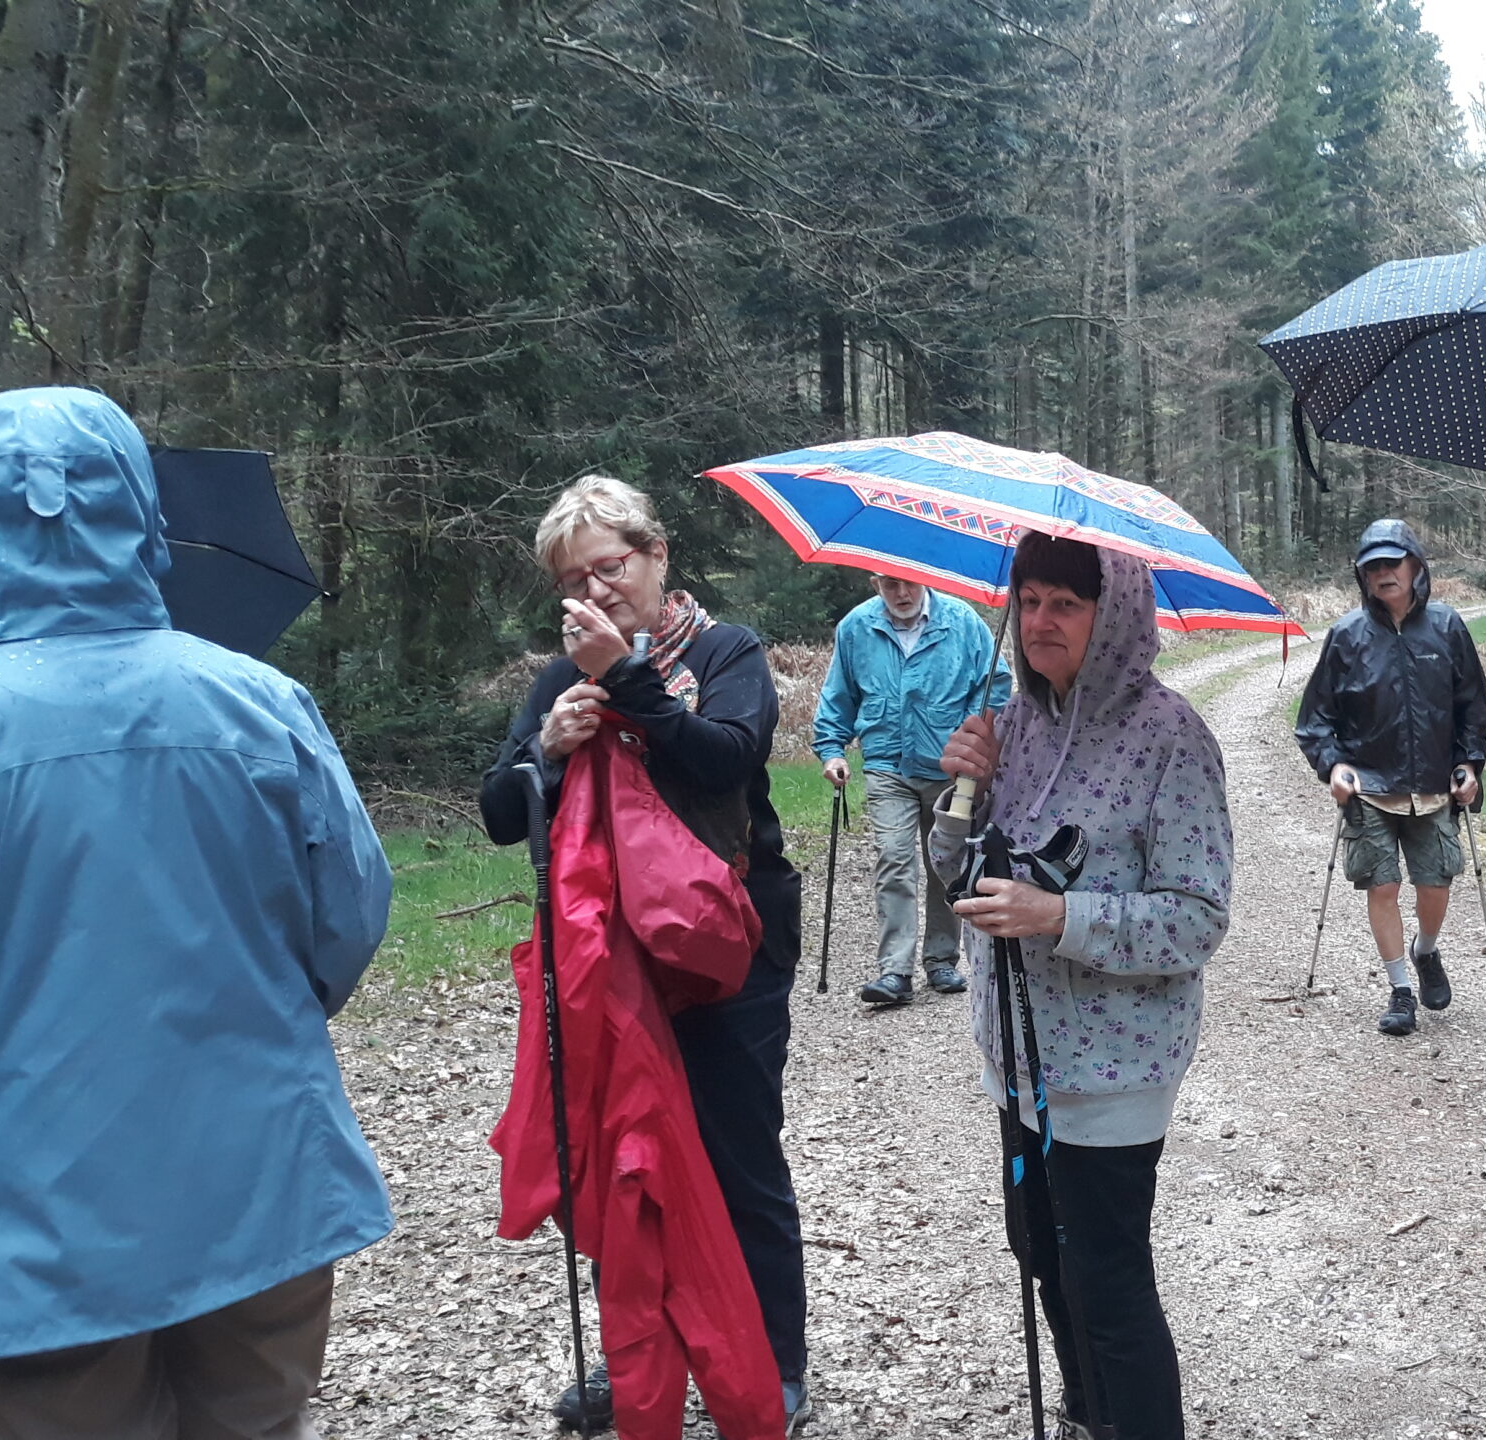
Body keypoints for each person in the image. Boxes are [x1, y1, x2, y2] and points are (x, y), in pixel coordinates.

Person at [0, 386, 395, 1437]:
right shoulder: (257, 703)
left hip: (33, 1229)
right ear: (143, 508)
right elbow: (350, 919)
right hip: (261, 1184)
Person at [479, 475, 811, 1432]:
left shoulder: (724, 650)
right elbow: (499, 814)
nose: (594, 590)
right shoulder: (559, 680)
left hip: (730, 947)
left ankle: (772, 1360)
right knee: (622, 1159)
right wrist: (543, 750)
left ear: (657, 556)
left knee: (737, 1153)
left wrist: (626, 678)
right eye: (572, 580)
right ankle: (640, 1360)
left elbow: (726, 756)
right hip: (609, 959)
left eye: (609, 567)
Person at [932, 533, 1231, 1440]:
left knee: (1107, 1280)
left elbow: (1197, 917)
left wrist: (1060, 915)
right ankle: (1087, 1412)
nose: (1040, 621)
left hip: (1112, 1068)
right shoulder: (1012, 726)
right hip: (1017, 1054)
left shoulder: (1172, 737)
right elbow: (959, 881)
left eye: (1066, 602)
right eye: (1028, 600)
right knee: (1039, 1252)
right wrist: (961, 798)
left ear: (1118, 614)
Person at [1295, 518, 1486, 1038]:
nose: (1383, 573)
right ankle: (1400, 989)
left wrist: (1470, 763)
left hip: (1433, 786)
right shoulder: (1347, 635)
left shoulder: (1447, 627)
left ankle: (1425, 950)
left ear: (1415, 567)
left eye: (1392, 563)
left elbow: (1474, 708)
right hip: (1370, 788)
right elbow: (1315, 720)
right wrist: (1334, 765)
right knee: (1381, 885)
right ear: (1362, 576)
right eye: (1373, 567)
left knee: (1436, 884)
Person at [812, 571, 1009, 1007]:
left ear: (924, 580)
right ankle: (895, 971)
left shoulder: (962, 622)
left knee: (946, 861)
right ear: (875, 584)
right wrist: (831, 750)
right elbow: (838, 695)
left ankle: (941, 959)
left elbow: (995, 685)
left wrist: (974, 737)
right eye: (889, 584)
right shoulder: (856, 628)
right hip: (887, 765)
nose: (901, 593)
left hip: (949, 767)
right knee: (894, 859)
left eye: (909, 583)